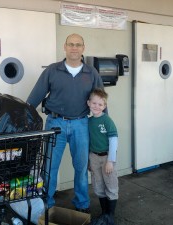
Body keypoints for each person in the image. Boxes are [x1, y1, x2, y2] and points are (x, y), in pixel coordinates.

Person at [26, 33, 104, 212]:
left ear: (83, 48)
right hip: (55, 124)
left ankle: (82, 204)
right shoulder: (52, 71)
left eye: (78, 45)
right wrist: (24, 120)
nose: (74, 48)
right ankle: (46, 204)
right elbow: (34, 98)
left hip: (81, 124)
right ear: (65, 47)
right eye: (71, 44)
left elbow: (101, 101)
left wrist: (103, 126)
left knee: (81, 167)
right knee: (50, 166)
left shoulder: (91, 73)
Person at [87, 88, 118, 223]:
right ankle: (103, 213)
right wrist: (89, 160)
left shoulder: (107, 121)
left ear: (104, 106)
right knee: (98, 185)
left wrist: (111, 160)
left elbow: (113, 141)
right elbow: (88, 141)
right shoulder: (88, 121)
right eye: (94, 103)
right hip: (93, 157)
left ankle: (110, 215)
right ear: (88, 103)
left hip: (107, 157)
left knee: (110, 184)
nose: (97, 107)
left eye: (100, 104)